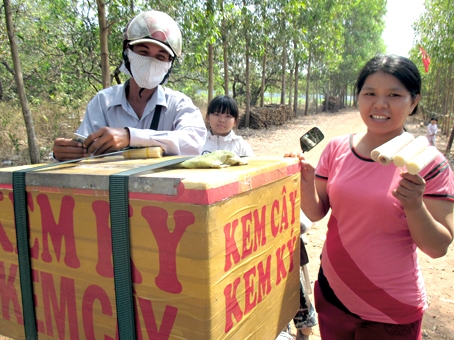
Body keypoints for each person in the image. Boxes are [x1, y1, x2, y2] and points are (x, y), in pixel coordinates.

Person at [288, 54, 453, 339]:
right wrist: (304, 182)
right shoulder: (337, 149)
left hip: (391, 308)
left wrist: (414, 205)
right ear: (358, 98)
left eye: (394, 95)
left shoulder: (429, 162)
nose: (380, 104)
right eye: (370, 94)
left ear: (413, 102)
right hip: (333, 294)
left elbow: (438, 247)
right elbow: (317, 212)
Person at [53, 10, 207, 161]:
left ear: (169, 65)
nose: (151, 62)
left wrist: (130, 136)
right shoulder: (103, 102)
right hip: (112, 186)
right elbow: (85, 149)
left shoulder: (178, 104)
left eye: (160, 56)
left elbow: (193, 143)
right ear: (128, 52)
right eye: (143, 52)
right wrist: (66, 154)